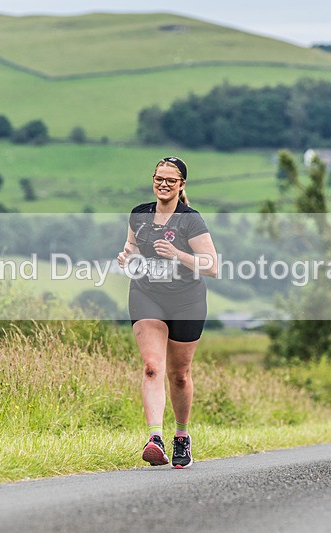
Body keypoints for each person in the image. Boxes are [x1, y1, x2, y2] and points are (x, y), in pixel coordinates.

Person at [117, 156, 218, 469]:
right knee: (151, 367)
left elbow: (212, 266)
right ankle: (155, 439)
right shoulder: (139, 215)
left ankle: (181, 436)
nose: (163, 184)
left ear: (181, 185)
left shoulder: (191, 220)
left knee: (179, 374)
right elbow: (133, 249)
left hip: (186, 300)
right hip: (146, 294)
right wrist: (127, 257)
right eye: (158, 178)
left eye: (170, 180)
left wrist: (177, 254)